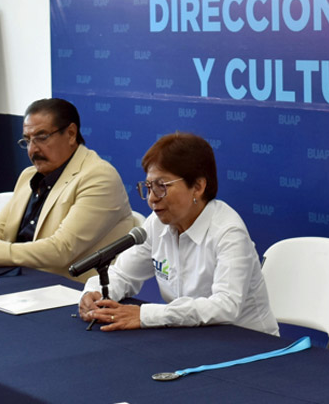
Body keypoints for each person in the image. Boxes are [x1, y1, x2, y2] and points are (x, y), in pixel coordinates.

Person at [78, 133, 279, 336]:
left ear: (198, 187)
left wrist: (145, 315)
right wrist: (94, 293)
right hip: (190, 335)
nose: (151, 199)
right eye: (148, 187)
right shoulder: (156, 224)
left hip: (247, 342)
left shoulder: (228, 232)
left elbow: (225, 305)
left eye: (161, 187)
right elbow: (123, 274)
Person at [0, 98, 134, 278]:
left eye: (42, 137)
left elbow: (61, 249)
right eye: (28, 140)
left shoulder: (98, 177)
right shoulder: (28, 175)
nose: (32, 150)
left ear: (71, 134)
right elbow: (0, 228)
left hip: (70, 291)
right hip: (19, 278)